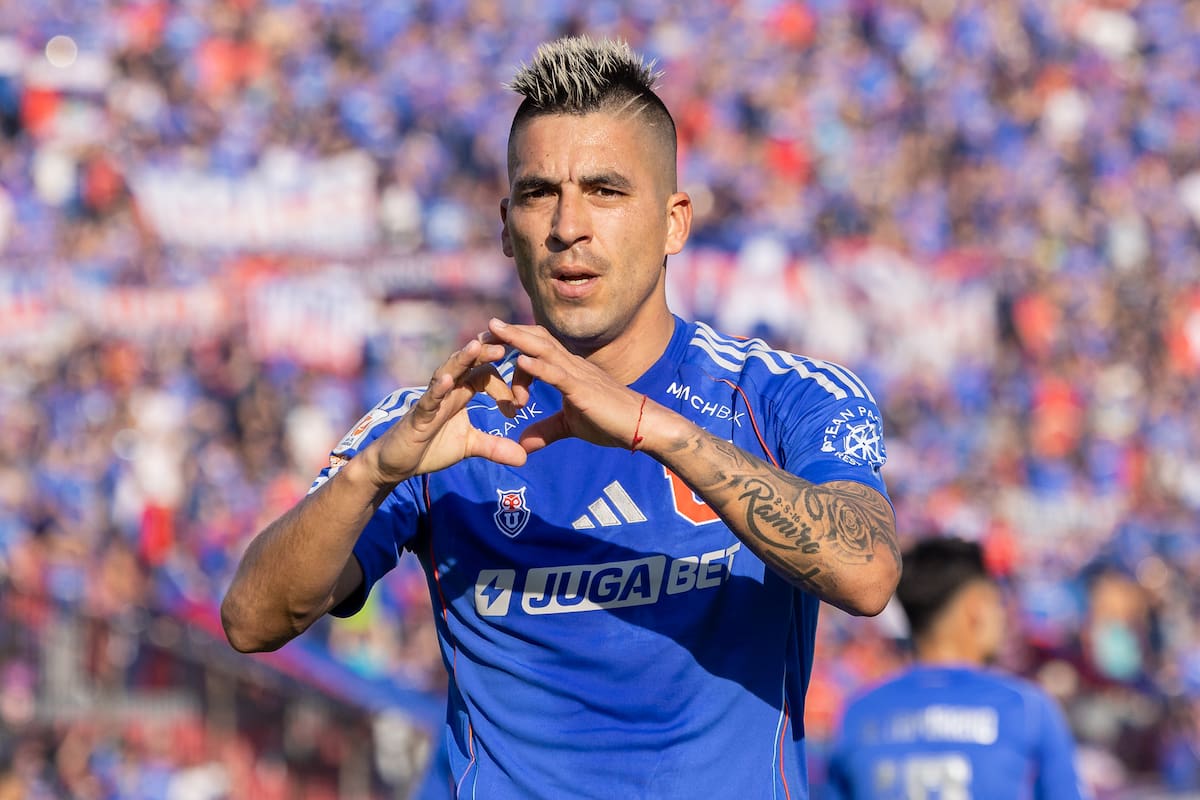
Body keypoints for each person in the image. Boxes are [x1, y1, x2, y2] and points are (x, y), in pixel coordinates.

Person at [220, 34, 901, 799]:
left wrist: (653, 427)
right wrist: (372, 472)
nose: (568, 225)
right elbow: (251, 621)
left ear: (674, 221)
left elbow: (867, 571)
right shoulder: (442, 419)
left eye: (606, 190)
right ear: (506, 226)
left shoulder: (784, 395)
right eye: (541, 193)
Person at [825, 536, 1088, 800]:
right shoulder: (1026, 708)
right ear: (976, 608)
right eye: (998, 603)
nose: (1003, 616)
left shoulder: (858, 712)